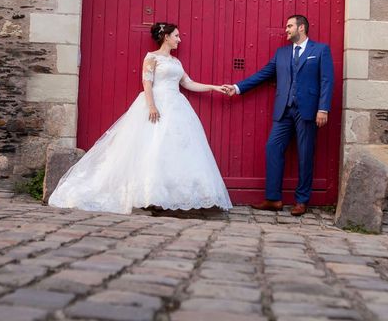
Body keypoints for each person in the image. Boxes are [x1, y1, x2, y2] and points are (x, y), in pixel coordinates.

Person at [48, 22, 232, 214]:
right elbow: (147, 82)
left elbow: (188, 83)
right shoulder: (151, 58)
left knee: (173, 148)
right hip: (156, 104)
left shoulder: (176, 62)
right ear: (166, 37)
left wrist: (214, 87)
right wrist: (152, 106)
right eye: (176, 36)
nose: (179, 39)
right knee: (151, 146)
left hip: (176, 105)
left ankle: (169, 196)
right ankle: (147, 195)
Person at [223, 15, 334, 216]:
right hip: (284, 109)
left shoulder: (320, 50)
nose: (286, 30)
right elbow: (264, 74)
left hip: (308, 110)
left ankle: (301, 200)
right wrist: (238, 87)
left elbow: (327, 80)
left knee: (305, 154)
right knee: (273, 148)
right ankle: (273, 199)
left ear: (301, 27)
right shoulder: (281, 53)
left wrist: (323, 108)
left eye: (290, 26)